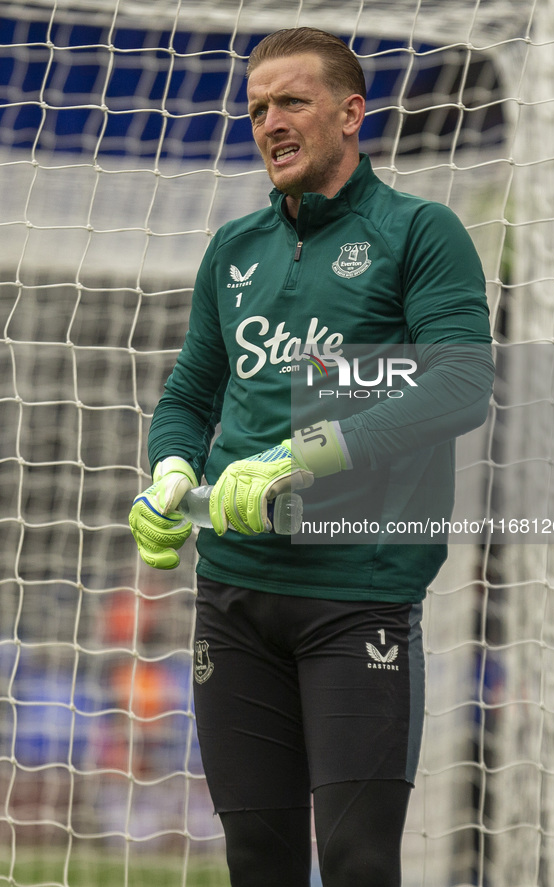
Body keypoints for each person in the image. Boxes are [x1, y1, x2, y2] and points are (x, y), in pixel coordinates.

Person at [128, 27, 494, 887]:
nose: (269, 122)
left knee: (360, 861)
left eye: (291, 101)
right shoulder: (234, 250)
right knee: (258, 862)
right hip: (233, 597)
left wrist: (304, 454)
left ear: (350, 112)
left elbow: (461, 384)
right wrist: (172, 468)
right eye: (256, 108)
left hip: (356, 594)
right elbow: (188, 395)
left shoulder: (419, 232)